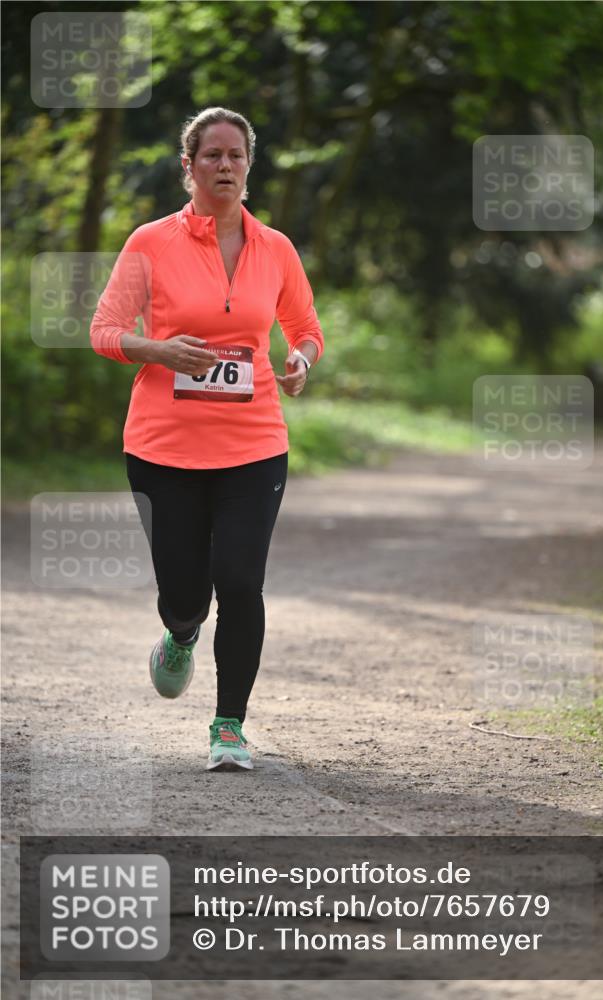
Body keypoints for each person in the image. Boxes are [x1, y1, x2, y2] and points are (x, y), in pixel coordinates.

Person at [90, 106, 324, 771]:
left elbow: (306, 328)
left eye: (236, 155)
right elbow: (105, 331)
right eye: (212, 155)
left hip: (253, 443)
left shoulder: (275, 248)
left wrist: (301, 360)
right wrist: (158, 350)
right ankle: (180, 631)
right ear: (187, 165)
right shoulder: (150, 243)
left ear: (249, 167)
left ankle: (229, 727)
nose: (225, 165)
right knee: (186, 591)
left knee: (241, 581)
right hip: (163, 445)